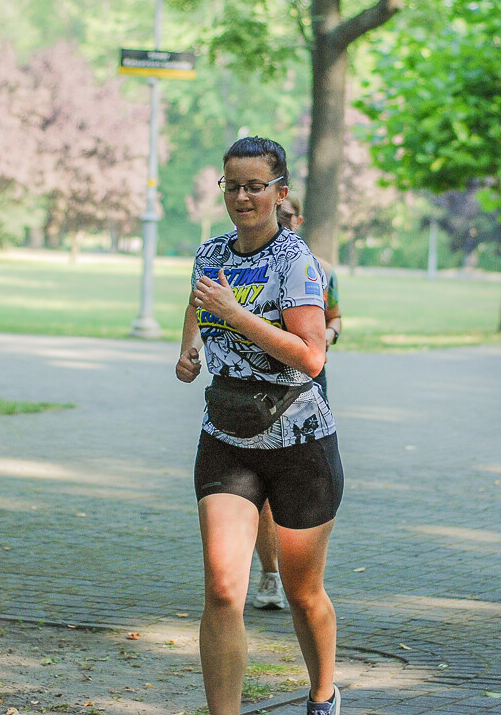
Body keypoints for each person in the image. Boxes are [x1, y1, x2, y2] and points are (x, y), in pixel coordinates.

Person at [176, 136, 343, 715]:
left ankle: (323, 695)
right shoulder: (211, 254)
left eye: (255, 185)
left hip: (299, 442)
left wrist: (236, 317)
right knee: (224, 590)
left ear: (280, 191)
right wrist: (190, 349)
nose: (242, 197)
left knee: (302, 594)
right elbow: (198, 306)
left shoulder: (297, 261)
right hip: (227, 439)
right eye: (233, 185)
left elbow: (311, 355)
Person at [249, 194, 343, 611]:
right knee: (260, 493)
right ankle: (270, 571)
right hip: (253, 387)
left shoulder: (320, 271)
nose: (279, 220)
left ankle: (297, 574)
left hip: (306, 381)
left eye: (286, 215)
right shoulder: (246, 261)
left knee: (291, 484)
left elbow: (335, 317)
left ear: (297, 218)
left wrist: (329, 336)